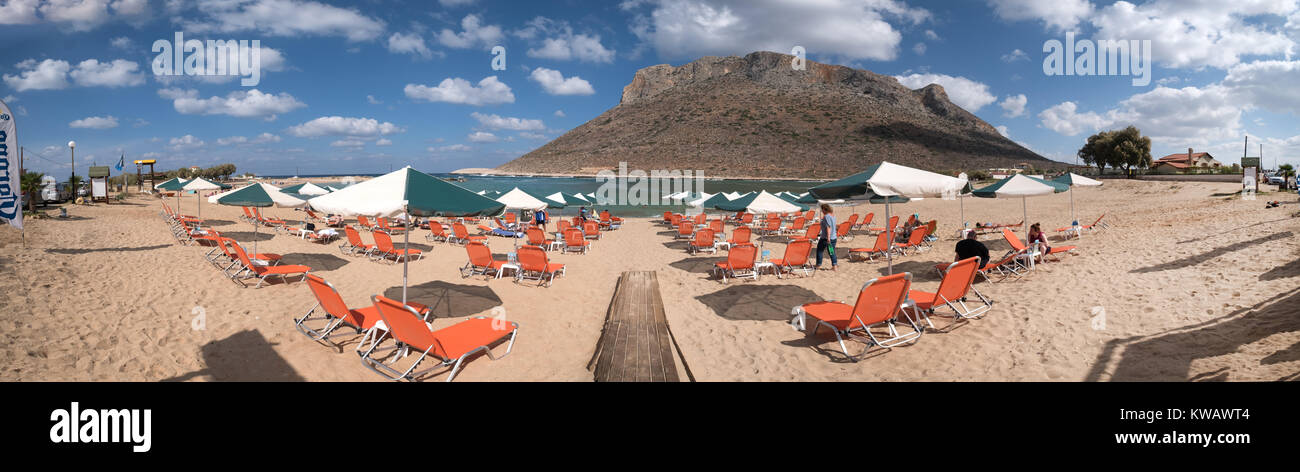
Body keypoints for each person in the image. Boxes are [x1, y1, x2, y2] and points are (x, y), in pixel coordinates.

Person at [815, 203, 838, 270]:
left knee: (819, 250)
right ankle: (834, 265)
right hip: (834, 237)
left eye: (822, 209)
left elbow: (828, 227)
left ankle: (818, 265)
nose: (822, 211)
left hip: (826, 238)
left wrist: (828, 238)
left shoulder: (826, 216)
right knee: (831, 252)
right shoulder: (833, 216)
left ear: (825, 209)